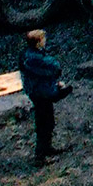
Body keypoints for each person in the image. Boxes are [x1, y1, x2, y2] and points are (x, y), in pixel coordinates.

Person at [20, 29, 67, 166]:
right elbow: (50, 69)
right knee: (44, 123)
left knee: (47, 121)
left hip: (39, 92)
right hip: (41, 94)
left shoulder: (28, 56)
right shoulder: (35, 59)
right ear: (38, 42)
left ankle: (47, 149)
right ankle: (41, 155)